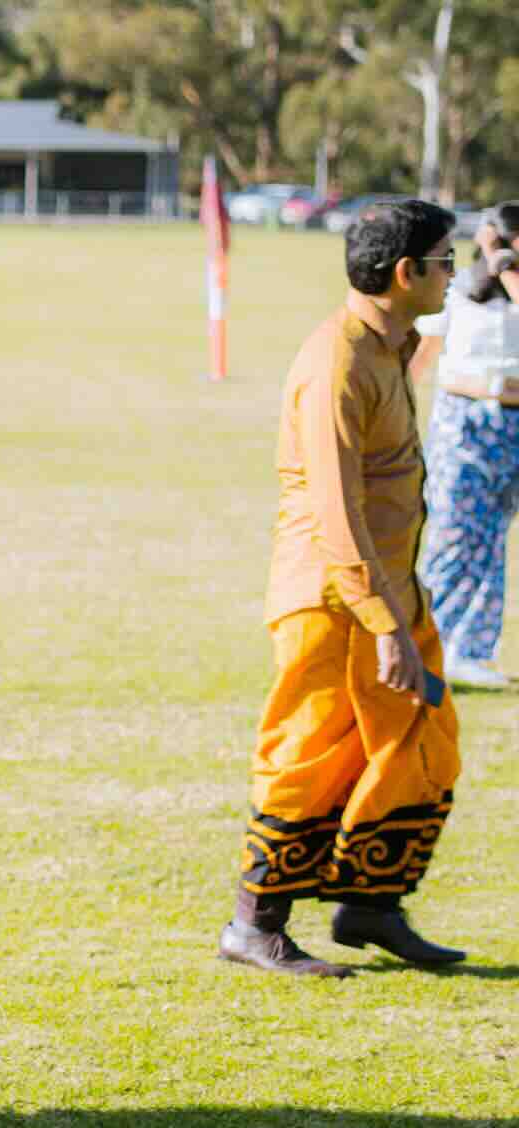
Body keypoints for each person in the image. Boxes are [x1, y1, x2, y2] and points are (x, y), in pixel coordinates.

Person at [222, 199, 468, 976]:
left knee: (417, 739)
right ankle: (254, 923)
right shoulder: (336, 363)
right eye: (445, 261)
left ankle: (370, 903)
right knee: (311, 753)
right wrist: (383, 622)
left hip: (393, 591)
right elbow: (336, 507)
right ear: (406, 274)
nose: (454, 275)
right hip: (331, 599)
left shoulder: (393, 345)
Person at [414, 201, 519, 687]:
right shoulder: (458, 290)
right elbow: (426, 356)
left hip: (512, 429)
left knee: (493, 541)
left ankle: (472, 651)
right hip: (465, 428)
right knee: (454, 536)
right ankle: (426, 644)